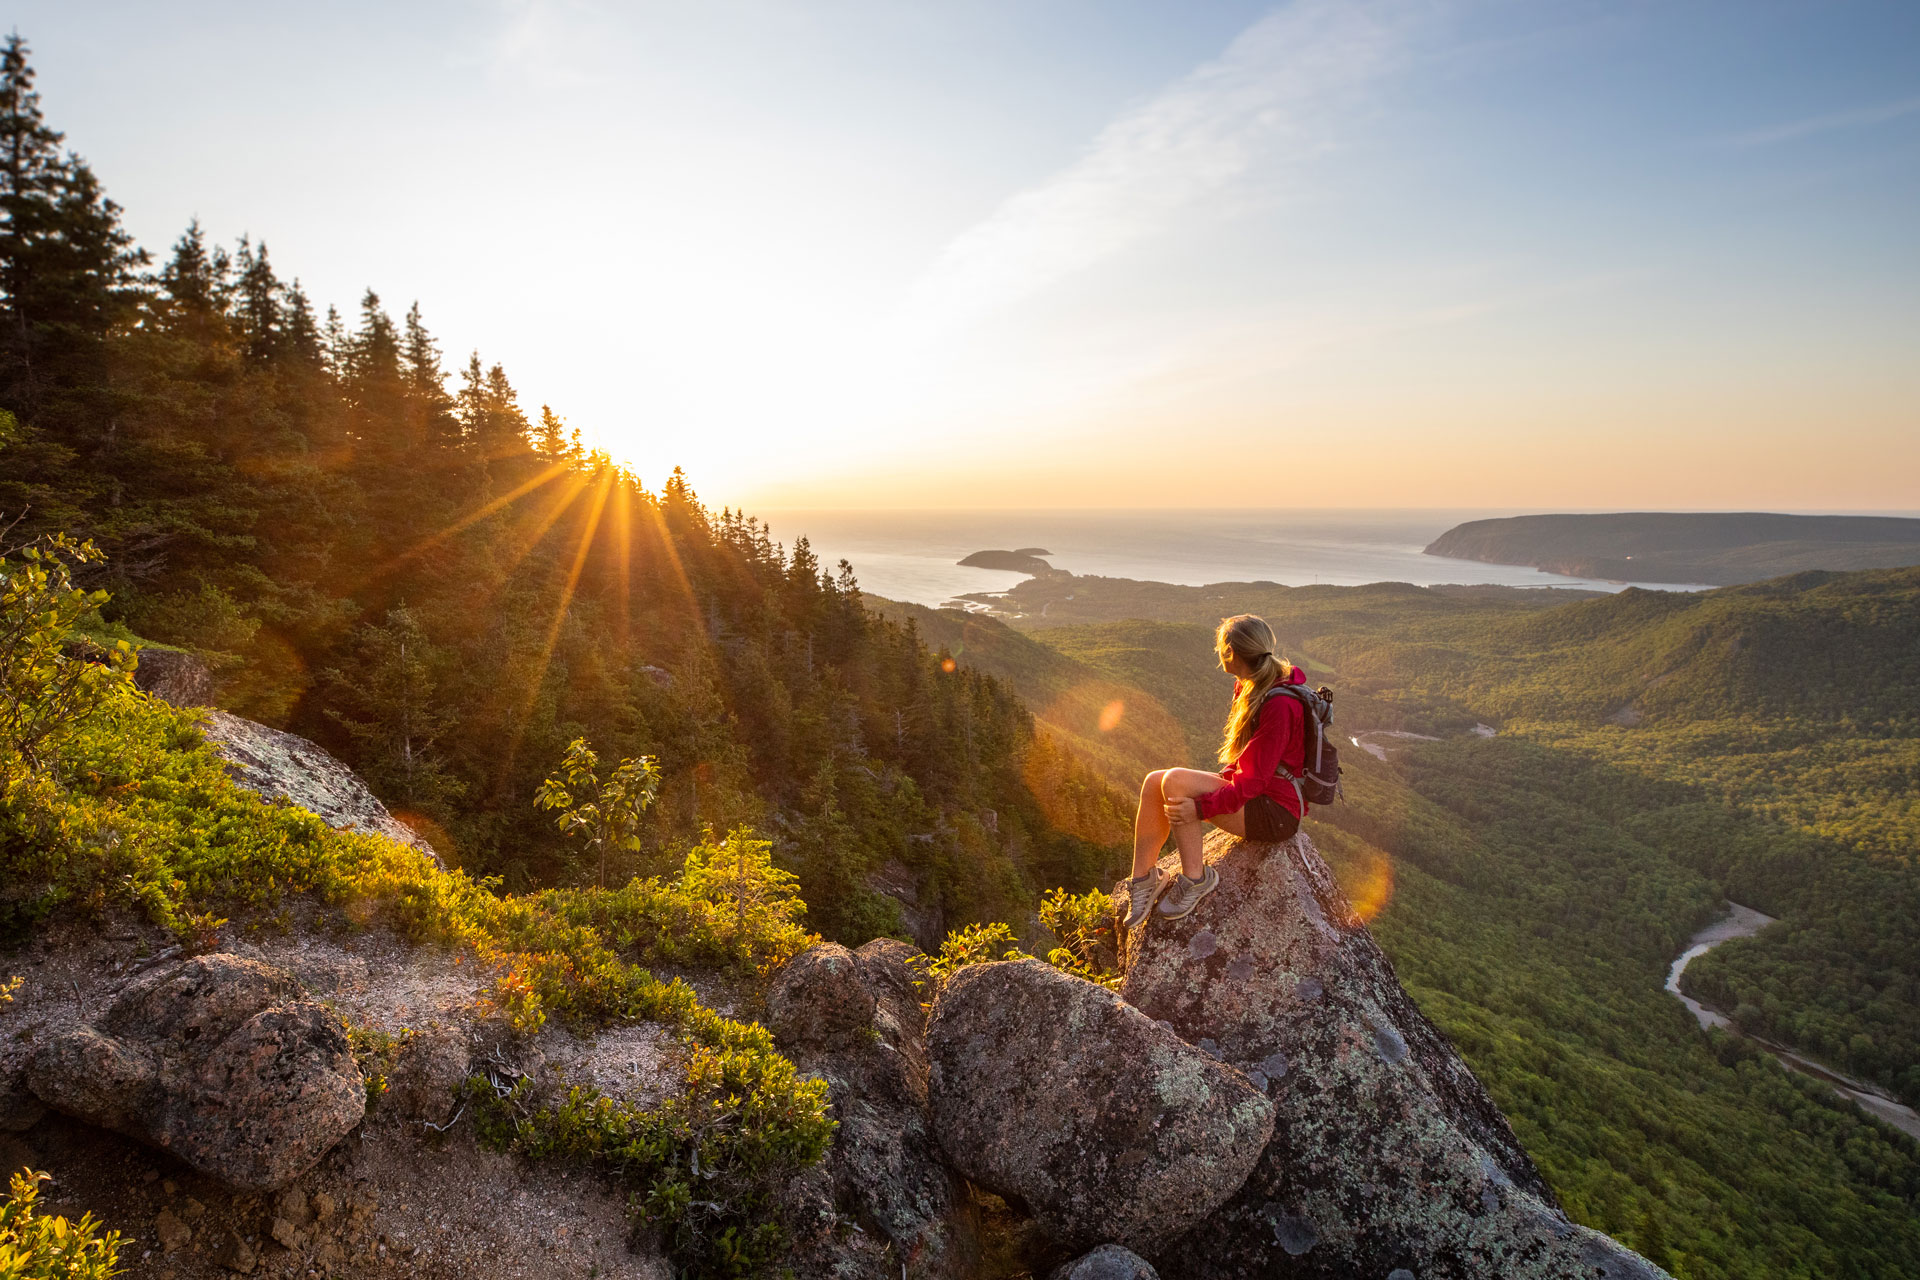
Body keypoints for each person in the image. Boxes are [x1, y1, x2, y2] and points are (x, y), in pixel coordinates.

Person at [1124, 613, 1309, 925]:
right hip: (1260, 797)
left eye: (1220, 647)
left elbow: (1252, 782)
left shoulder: (1279, 704)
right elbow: (1245, 764)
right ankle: (1143, 879)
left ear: (1231, 653)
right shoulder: (1250, 685)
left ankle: (1196, 879)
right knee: (1154, 781)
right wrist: (1209, 794)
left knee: (1175, 783)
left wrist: (1199, 808)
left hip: (1276, 813)